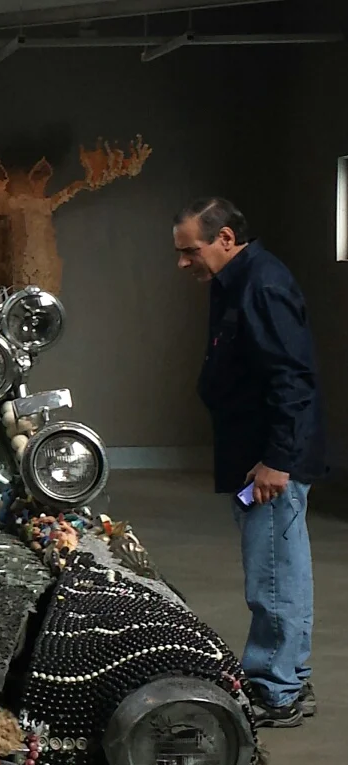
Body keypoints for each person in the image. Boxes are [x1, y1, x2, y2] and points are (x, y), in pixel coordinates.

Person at [173, 197, 326, 728]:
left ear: (226, 239)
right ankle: (281, 679)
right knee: (271, 568)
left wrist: (277, 462)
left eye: (191, 250)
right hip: (251, 458)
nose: (183, 262)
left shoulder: (263, 284)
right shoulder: (233, 281)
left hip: (269, 465)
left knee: (276, 575)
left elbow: (293, 378)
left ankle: (277, 691)